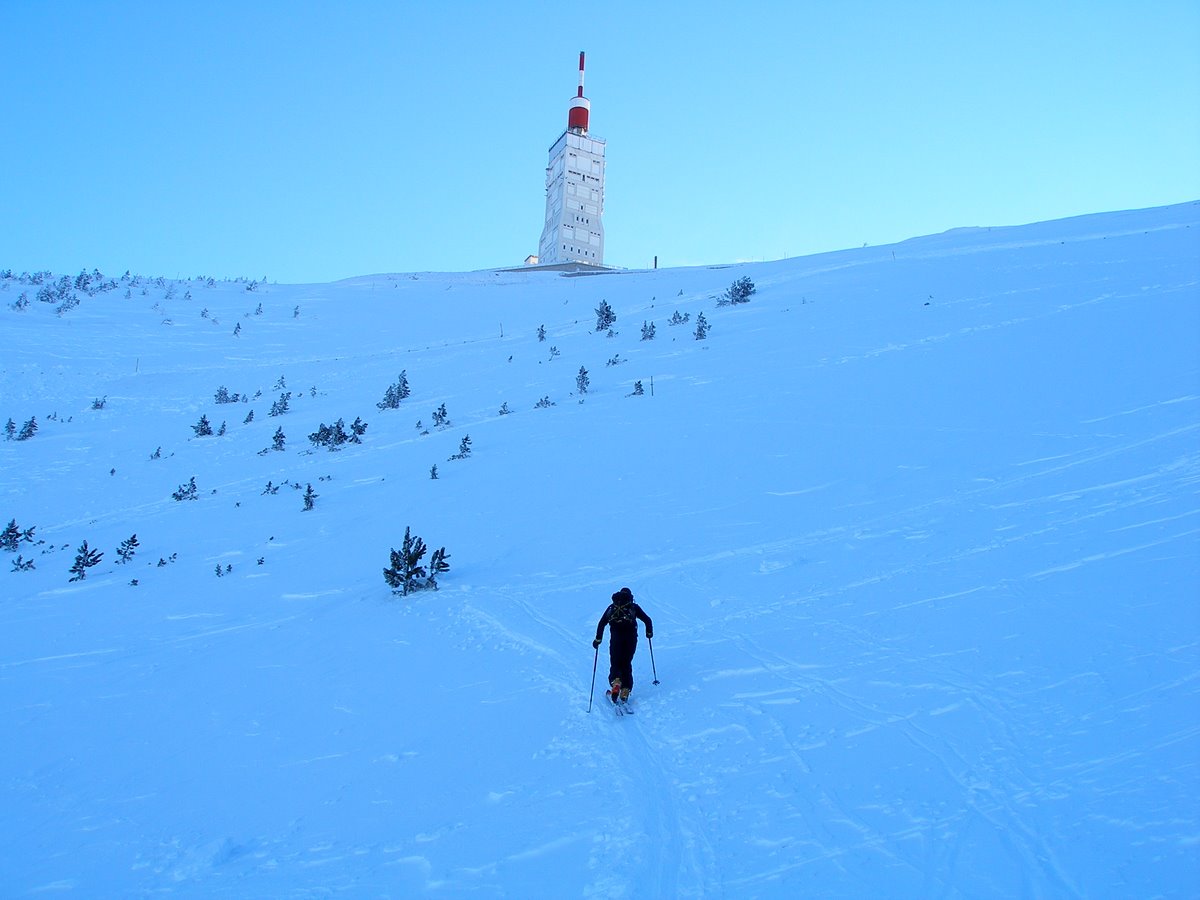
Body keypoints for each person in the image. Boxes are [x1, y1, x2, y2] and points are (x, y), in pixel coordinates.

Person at [593, 587, 653, 704]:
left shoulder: (612, 607)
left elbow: (601, 623)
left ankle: (616, 683)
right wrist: (649, 633)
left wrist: (598, 639)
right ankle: (625, 689)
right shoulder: (633, 607)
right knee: (626, 662)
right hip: (631, 639)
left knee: (615, 662)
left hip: (616, 639)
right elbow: (648, 620)